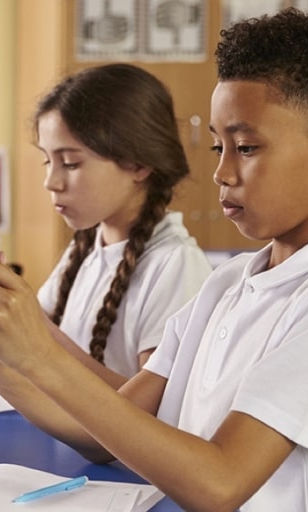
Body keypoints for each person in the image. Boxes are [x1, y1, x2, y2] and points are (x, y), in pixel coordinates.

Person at [0, 9, 308, 511]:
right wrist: (1, 359)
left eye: (247, 147)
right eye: (218, 146)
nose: (221, 172)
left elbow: (220, 485)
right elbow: (107, 435)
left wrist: (41, 352)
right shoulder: (229, 283)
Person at [31, 63, 211, 384]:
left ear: (138, 164)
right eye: (48, 160)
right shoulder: (87, 244)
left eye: (70, 163)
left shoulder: (175, 265)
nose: (51, 182)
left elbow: (154, 412)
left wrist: (37, 335)